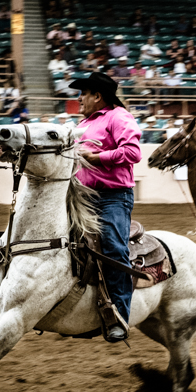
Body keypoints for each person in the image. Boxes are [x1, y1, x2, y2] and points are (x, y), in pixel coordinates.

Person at [69, 72, 141, 343]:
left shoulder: (118, 117)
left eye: (83, 93)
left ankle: (119, 318)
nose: (79, 98)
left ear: (98, 96)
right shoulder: (84, 123)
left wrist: (97, 157)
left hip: (112, 196)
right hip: (83, 195)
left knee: (114, 248)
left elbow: (133, 153)